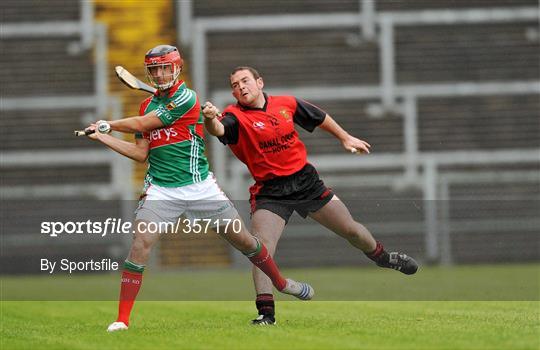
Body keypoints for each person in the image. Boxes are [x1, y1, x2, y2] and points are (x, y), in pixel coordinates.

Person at [83, 47, 314, 332]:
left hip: (200, 186)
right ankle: (122, 319)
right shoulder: (146, 106)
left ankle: (280, 283)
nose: (159, 74)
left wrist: (109, 124)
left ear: (177, 68)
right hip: (162, 189)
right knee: (140, 244)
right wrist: (104, 138)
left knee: (245, 242)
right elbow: (141, 153)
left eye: (164, 68)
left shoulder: (186, 97)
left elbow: (146, 124)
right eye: (154, 70)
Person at [202, 66, 418, 325]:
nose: (240, 87)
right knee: (261, 248)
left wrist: (344, 137)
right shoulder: (233, 116)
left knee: (352, 230)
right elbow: (219, 130)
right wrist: (209, 118)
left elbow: (319, 117)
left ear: (260, 82)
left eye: (245, 81)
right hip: (271, 192)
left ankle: (383, 257)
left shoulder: (286, 103)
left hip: (307, 183)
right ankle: (266, 314)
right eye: (235, 85)